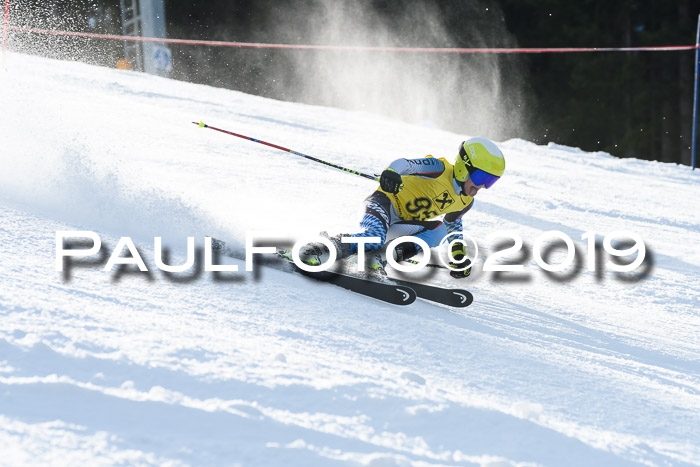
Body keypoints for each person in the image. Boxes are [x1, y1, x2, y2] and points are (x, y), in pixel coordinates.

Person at [299, 137, 506, 278]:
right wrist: (391, 173)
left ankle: (376, 259)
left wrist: (458, 256)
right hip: (382, 205)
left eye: (490, 182)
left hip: (403, 223)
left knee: (439, 230)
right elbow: (405, 164)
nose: (482, 186)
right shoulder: (439, 168)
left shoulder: (465, 201)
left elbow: (453, 227)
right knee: (374, 237)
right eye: (481, 178)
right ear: (464, 166)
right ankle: (321, 247)